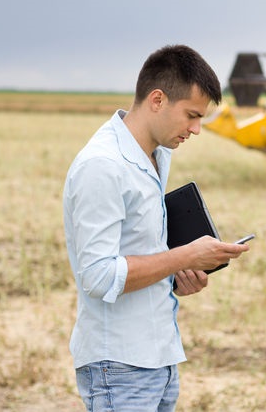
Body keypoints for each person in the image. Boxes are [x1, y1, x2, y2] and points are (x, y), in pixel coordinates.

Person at [63, 44, 250, 411]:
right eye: (192, 116)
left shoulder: (156, 155)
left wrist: (179, 277)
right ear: (158, 99)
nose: (197, 129)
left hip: (159, 359)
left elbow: (141, 253)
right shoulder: (102, 166)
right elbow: (99, 277)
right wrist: (186, 253)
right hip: (119, 365)